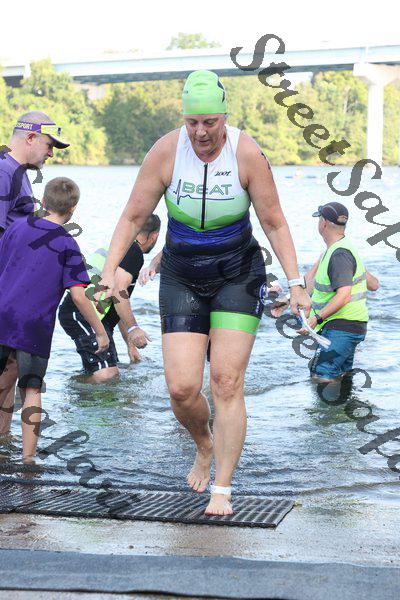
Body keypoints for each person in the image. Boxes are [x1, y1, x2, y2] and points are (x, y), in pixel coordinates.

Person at [96, 70, 311, 516]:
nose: (201, 133)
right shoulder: (165, 152)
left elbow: (274, 222)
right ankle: (204, 444)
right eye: (192, 122)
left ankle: (223, 488)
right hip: (182, 276)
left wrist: (295, 283)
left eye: (210, 122)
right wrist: (109, 269)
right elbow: (133, 216)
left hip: (238, 275)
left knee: (226, 382)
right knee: (181, 388)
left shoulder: (247, 153)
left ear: (225, 117)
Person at [0, 178, 109, 462]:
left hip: (3, 316)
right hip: (34, 325)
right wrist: (100, 331)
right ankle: (27, 459)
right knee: (31, 388)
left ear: (44, 201)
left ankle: (2, 441)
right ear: (73, 208)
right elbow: (79, 296)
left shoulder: (16, 227)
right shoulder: (68, 244)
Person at [59, 215, 160, 382]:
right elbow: (119, 292)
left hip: (96, 317)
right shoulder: (133, 251)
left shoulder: (120, 248)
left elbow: (117, 301)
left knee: (112, 372)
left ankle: (84, 388)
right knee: (107, 375)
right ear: (154, 236)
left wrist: (130, 344)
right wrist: (134, 328)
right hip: (82, 312)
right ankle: (71, 386)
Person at [302, 202, 379, 382]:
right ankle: (346, 400)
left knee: (321, 373)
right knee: (341, 375)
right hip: (351, 326)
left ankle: (330, 401)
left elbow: (344, 296)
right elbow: (373, 284)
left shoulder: (339, 254)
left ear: (323, 223)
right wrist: (288, 299)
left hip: (341, 327)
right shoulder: (342, 250)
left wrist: (316, 318)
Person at [0, 110, 69, 235]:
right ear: (30, 138)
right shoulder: (3, 171)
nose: (51, 154)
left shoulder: (16, 169)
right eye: (49, 145)